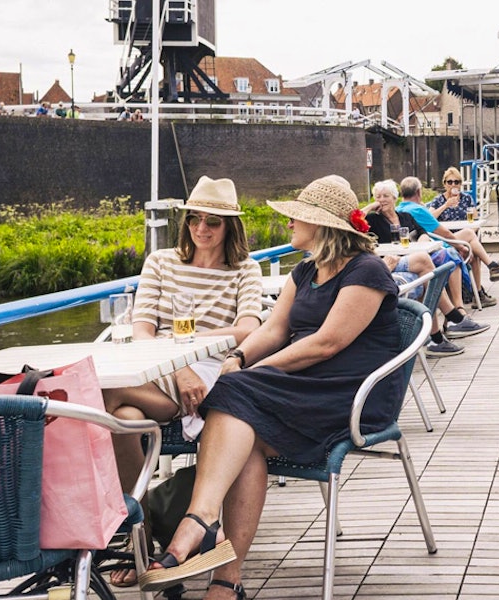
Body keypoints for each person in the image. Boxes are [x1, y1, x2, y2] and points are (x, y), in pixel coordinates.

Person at [138, 176, 409, 598]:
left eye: (297, 217)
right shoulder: (305, 270)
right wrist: (240, 357)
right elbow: (274, 329)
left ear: (321, 226)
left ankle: (200, 520)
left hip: (349, 395)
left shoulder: (366, 270)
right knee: (244, 430)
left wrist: (249, 374)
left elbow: (326, 343)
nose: (288, 224)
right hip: (302, 389)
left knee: (233, 393)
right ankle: (226, 582)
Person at [102, 177, 264, 588]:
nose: (201, 229)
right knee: (122, 417)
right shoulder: (161, 262)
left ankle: (131, 536)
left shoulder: (245, 269)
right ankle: (144, 537)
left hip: (212, 373)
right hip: (162, 370)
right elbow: (141, 329)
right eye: (195, 219)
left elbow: (247, 330)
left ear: (230, 227)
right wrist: (176, 361)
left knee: (100, 394)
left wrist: (185, 346)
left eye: (213, 222)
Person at [363, 179, 487, 353]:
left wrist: (422, 239)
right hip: (392, 261)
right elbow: (355, 221)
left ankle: (437, 338)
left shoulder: (404, 216)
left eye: (385, 196)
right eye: (378, 196)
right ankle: (453, 316)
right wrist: (370, 206)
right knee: (424, 262)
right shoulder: (373, 219)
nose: (382, 199)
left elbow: (421, 231)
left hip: (410, 258)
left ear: (394, 197)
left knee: (433, 269)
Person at [396, 176, 499, 307]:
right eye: (450, 182)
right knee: (469, 236)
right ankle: (489, 273)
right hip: (438, 245)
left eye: (456, 182)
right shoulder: (421, 208)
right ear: (419, 192)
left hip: (427, 245)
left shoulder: (399, 209)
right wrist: (460, 246)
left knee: (472, 243)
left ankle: (488, 276)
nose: (453, 184)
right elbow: (444, 232)